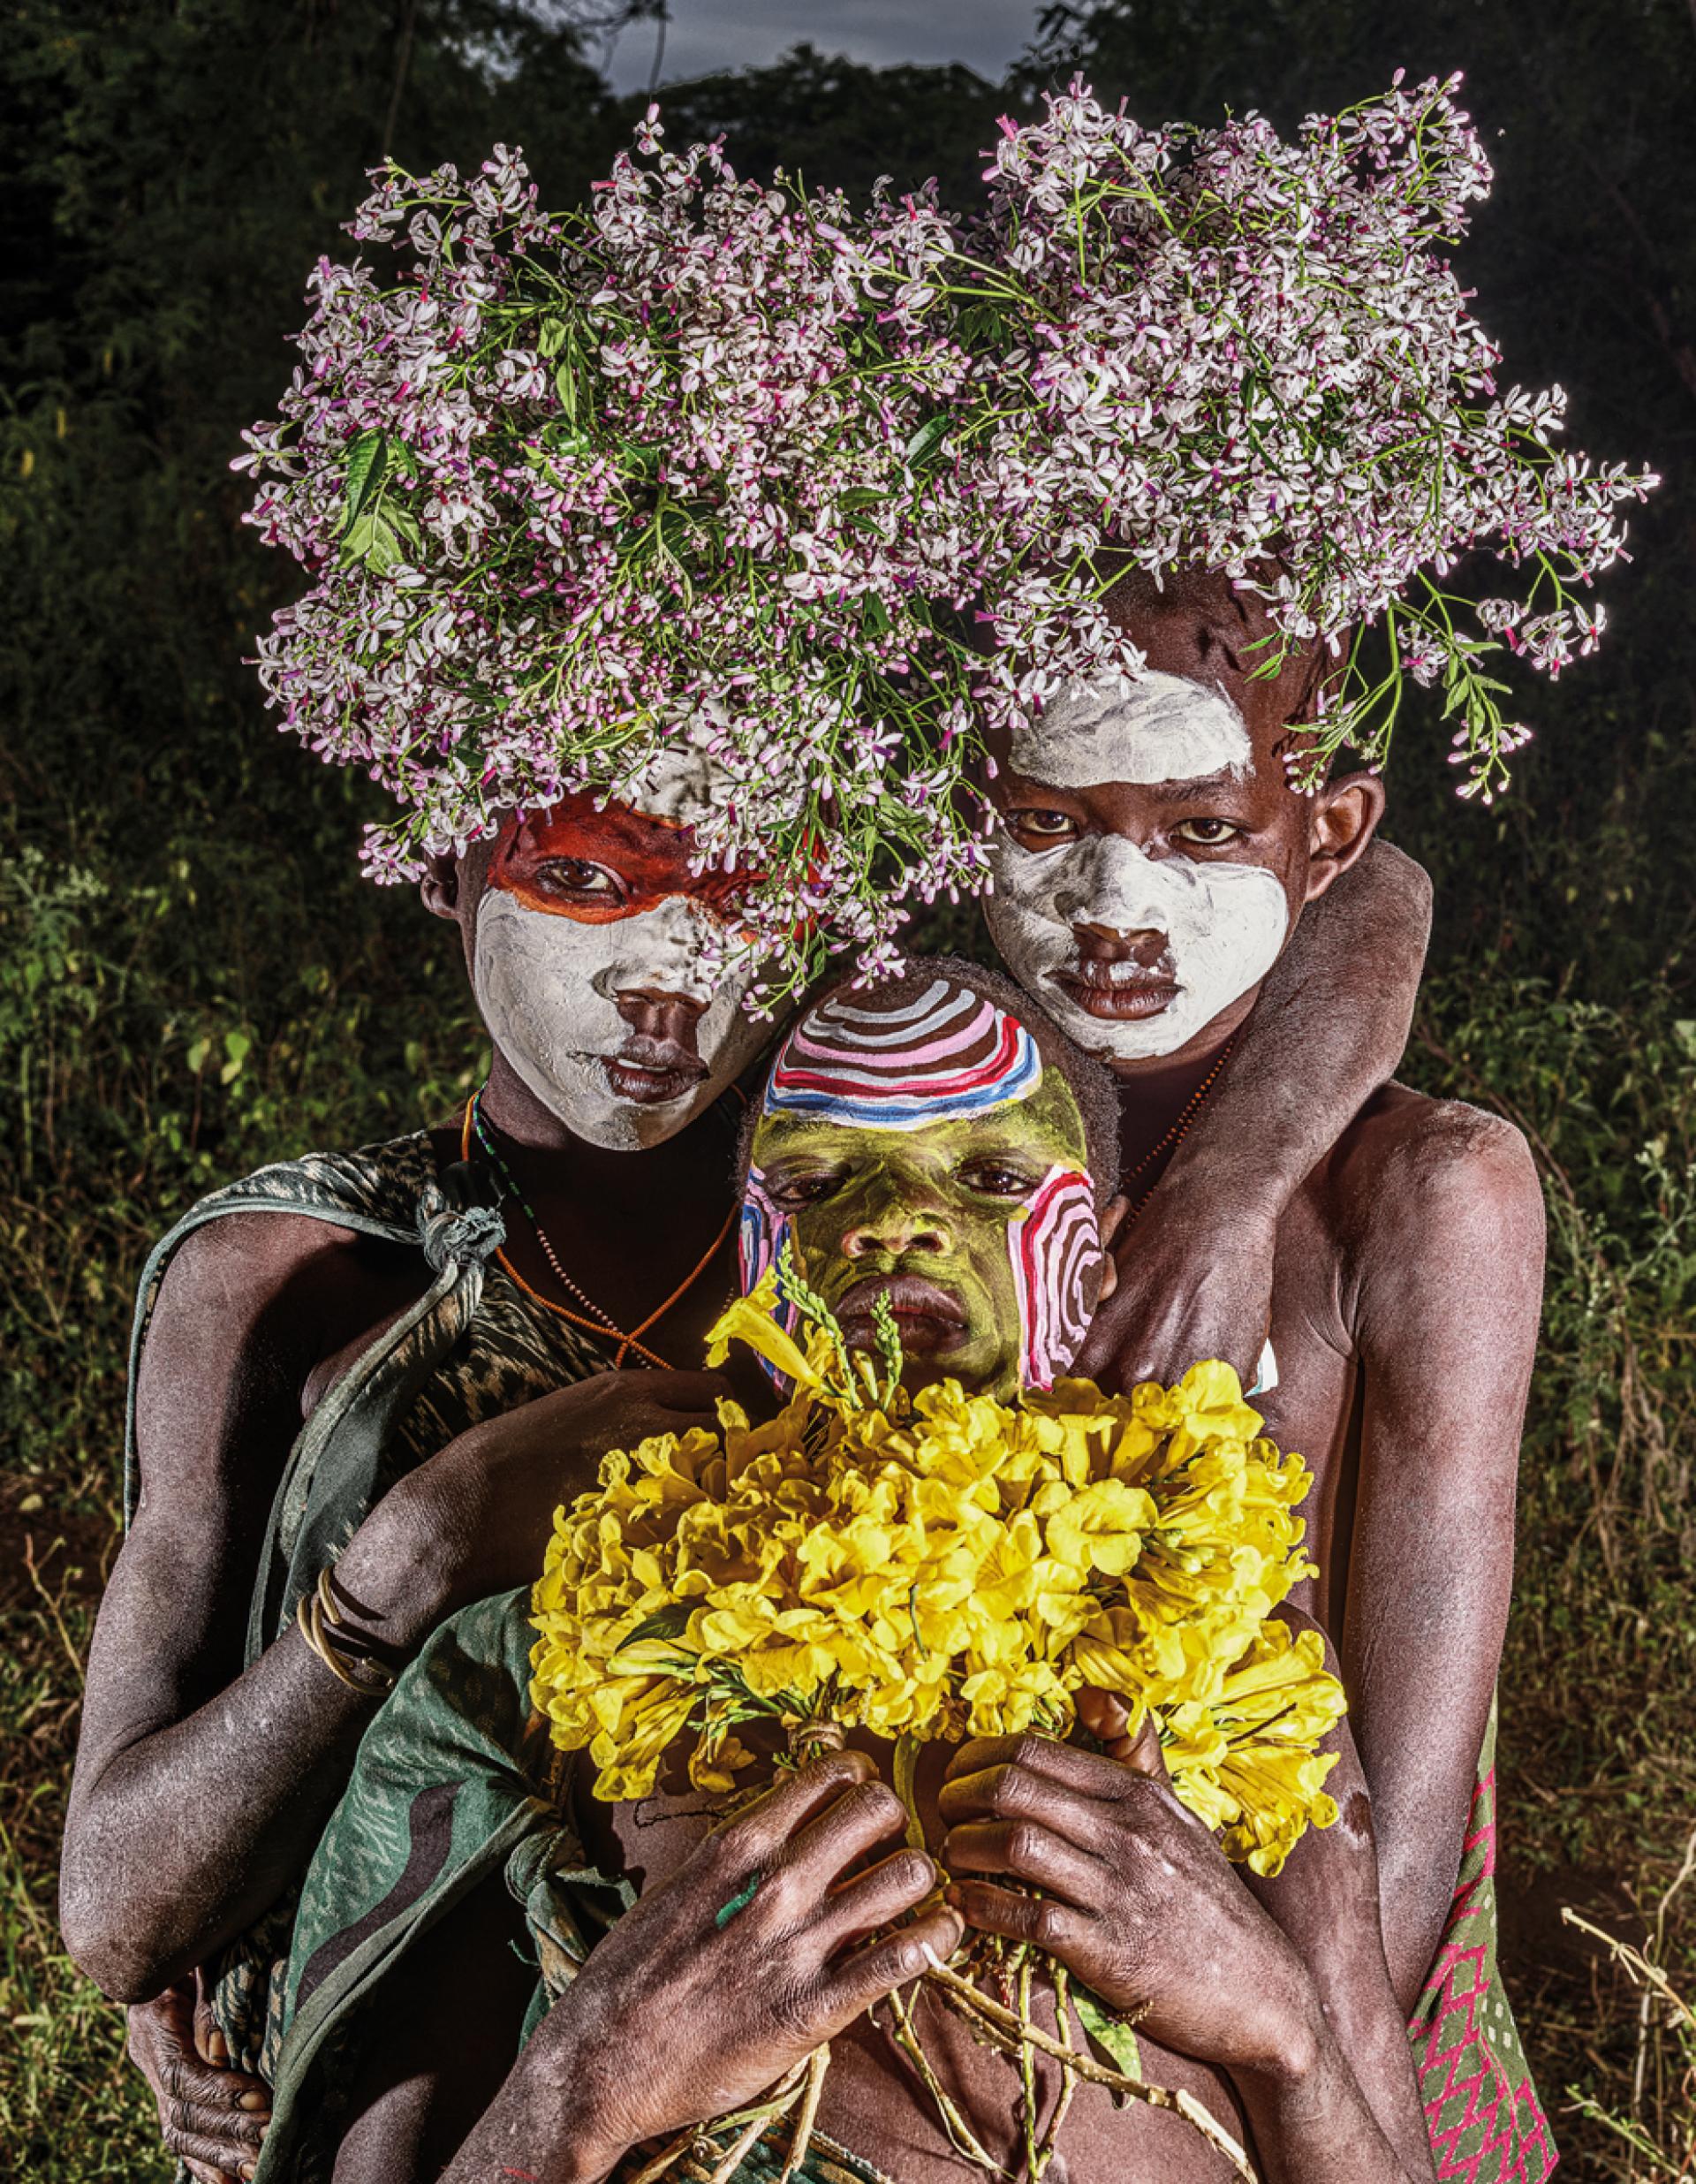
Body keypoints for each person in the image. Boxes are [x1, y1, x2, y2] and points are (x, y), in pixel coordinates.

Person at [61, 737, 1430, 2183]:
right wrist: (587, 2076)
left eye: (988, 1183)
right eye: (829, 1188)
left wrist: (1275, 2021)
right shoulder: (565, 1621)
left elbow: (1361, 881)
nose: (900, 1227)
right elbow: (150, 1926)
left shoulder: (1228, 1638)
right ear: (762, 1268)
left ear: (1100, 1249)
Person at [979, 564, 1555, 2177]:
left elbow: (1404, 1845)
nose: (1117, 905)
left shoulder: (1422, 1195)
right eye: (1048, 821)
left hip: (1296, 2024)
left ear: (1331, 832)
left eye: (1201, 835)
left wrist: (1273, 2072)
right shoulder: (913, 1130)